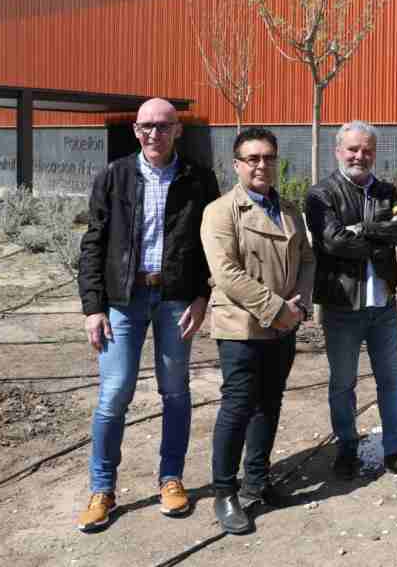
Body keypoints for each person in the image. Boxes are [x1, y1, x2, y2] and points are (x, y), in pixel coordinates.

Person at [76, 98, 220, 532]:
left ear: (178, 130)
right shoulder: (114, 176)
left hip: (176, 299)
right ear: (136, 131)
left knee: (175, 391)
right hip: (123, 300)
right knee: (114, 393)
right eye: (146, 127)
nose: (154, 133)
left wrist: (202, 296)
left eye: (163, 126)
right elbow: (93, 243)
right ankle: (102, 489)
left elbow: (210, 245)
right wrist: (93, 307)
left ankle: (171, 478)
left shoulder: (198, 178)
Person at [305, 121, 397, 484]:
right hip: (341, 306)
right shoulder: (321, 194)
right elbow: (333, 241)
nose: (360, 156)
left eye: (367, 150)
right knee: (343, 383)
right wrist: (381, 239)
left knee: (391, 380)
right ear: (338, 151)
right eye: (353, 149)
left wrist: (364, 229)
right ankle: (347, 446)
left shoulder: (386, 192)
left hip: (383, 307)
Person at [200, 128, 314, 534]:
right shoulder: (221, 211)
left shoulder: (290, 210)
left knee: (270, 403)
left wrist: (299, 304)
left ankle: (258, 480)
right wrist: (275, 309)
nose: (262, 165)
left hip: (284, 325)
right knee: (238, 406)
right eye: (253, 158)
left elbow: (307, 258)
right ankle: (225, 492)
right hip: (242, 326)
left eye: (268, 157)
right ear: (237, 165)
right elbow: (226, 273)